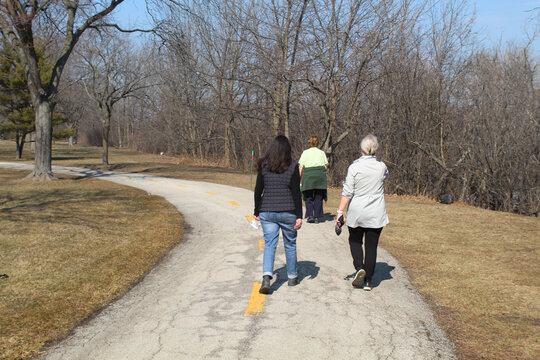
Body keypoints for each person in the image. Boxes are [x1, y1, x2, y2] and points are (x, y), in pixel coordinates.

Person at [336, 134, 389, 291]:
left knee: (355, 240)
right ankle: (368, 280)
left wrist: (340, 211)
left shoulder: (354, 167)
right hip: (376, 211)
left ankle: (359, 267)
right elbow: (385, 177)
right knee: (371, 246)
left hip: (357, 211)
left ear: (361, 149)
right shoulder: (381, 167)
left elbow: (348, 191)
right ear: (375, 149)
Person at [254, 135, 303, 294]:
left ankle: (267, 276)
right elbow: (296, 193)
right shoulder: (293, 167)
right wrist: (299, 215)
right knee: (290, 244)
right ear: (288, 150)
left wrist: (256, 211)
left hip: (267, 211)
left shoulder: (264, 166)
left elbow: (258, 190)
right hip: (288, 212)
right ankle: (292, 277)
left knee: (270, 244)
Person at [298, 136, 328, 223]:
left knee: (308, 196)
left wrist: (299, 179)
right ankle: (317, 216)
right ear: (317, 143)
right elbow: (325, 166)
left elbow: (301, 167)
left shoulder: (305, 153)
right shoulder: (321, 153)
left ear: (309, 143)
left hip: (308, 177)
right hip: (320, 177)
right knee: (318, 197)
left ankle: (310, 215)